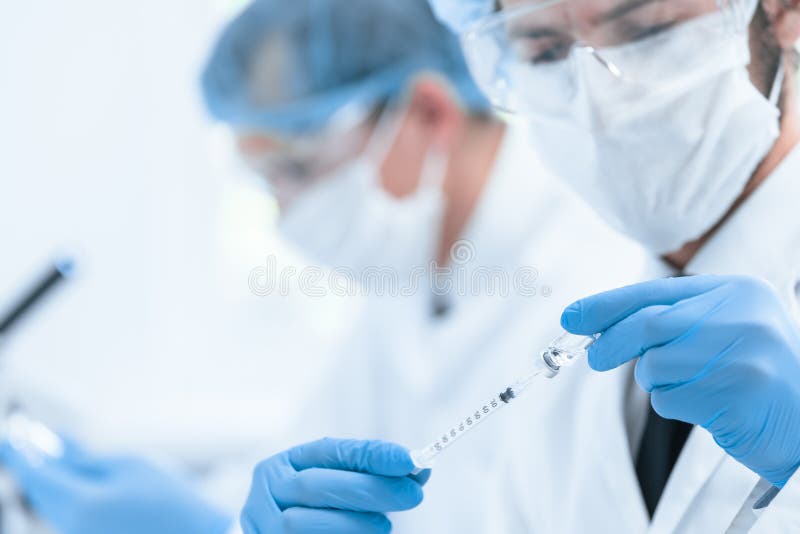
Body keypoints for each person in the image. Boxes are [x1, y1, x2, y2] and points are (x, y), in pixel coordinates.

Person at [0, 0, 652, 533]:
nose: (285, 212)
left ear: (427, 114)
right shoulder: (414, 278)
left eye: (299, 168)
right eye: (266, 180)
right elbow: (301, 465)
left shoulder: (593, 278)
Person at [428, 0, 800, 531]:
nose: (600, 101)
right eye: (546, 50)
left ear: (782, 10)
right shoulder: (558, 370)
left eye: (647, 30)